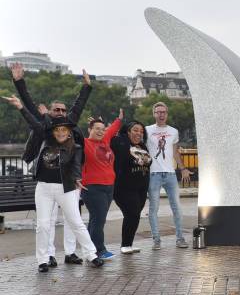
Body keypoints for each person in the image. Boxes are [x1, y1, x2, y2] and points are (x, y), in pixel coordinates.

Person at [2, 95, 103, 272]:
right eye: (57, 130)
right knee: (42, 224)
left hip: (67, 188)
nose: (61, 133)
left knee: (76, 222)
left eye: (64, 130)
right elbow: (34, 123)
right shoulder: (46, 140)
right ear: (53, 131)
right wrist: (20, 106)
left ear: (69, 132)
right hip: (44, 188)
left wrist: (77, 178)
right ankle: (42, 260)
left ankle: (92, 254)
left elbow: (76, 166)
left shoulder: (75, 148)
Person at [11, 63, 91, 265]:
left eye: (63, 109)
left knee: (73, 218)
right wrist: (19, 81)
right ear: (51, 110)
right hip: (48, 178)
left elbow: (78, 106)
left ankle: (71, 252)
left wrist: (86, 87)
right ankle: (49, 255)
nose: (61, 112)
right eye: (57, 109)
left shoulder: (70, 122)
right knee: (47, 221)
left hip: (69, 178)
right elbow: (28, 105)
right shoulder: (45, 123)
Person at [146, 102, 192, 250]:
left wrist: (183, 168)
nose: (161, 114)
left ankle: (180, 238)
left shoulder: (173, 131)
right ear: (154, 114)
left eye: (163, 112)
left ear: (167, 114)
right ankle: (156, 240)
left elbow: (175, 152)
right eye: (158, 112)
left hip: (171, 174)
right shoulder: (147, 130)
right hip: (153, 174)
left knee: (177, 207)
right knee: (153, 208)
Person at [81, 112, 123, 260]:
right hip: (92, 187)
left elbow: (112, 130)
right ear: (89, 130)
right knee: (99, 219)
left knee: (96, 219)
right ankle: (99, 250)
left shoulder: (105, 140)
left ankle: (89, 250)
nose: (100, 131)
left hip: (108, 187)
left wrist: (119, 119)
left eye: (102, 129)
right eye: (96, 128)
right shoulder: (84, 143)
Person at [111, 121, 152, 254]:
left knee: (134, 216)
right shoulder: (120, 142)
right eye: (135, 130)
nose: (138, 133)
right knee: (132, 213)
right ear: (127, 132)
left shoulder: (142, 146)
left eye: (141, 131)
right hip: (124, 188)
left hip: (141, 188)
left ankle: (128, 244)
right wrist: (116, 127)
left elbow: (146, 164)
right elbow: (112, 141)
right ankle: (125, 245)